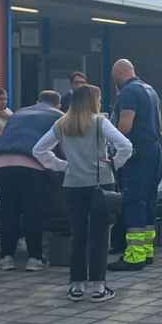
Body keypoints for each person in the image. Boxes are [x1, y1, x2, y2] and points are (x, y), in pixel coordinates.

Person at [34, 84, 132, 303]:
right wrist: (114, 163)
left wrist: (62, 165)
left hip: (72, 184)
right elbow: (126, 145)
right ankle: (98, 286)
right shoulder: (99, 122)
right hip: (100, 183)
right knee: (99, 236)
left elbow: (38, 150)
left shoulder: (61, 124)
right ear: (92, 101)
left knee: (78, 235)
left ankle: (76, 285)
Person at [0, 91, 63, 271]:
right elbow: (62, 148)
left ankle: (6, 257)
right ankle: (34, 258)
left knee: (9, 211)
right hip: (31, 164)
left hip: (1, 162)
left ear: (37, 101)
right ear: (58, 105)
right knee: (32, 212)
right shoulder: (59, 117)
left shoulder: (19, 113)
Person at [108, 59, 162, 272]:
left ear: (119, 75)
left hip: (137, 153)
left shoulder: (128, 92)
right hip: (154, 150)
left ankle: (134, 256)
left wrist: (109, 141)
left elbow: (125, 126)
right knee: (148, 200)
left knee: (134, 201)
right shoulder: (149, 90)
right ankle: (146, 251)